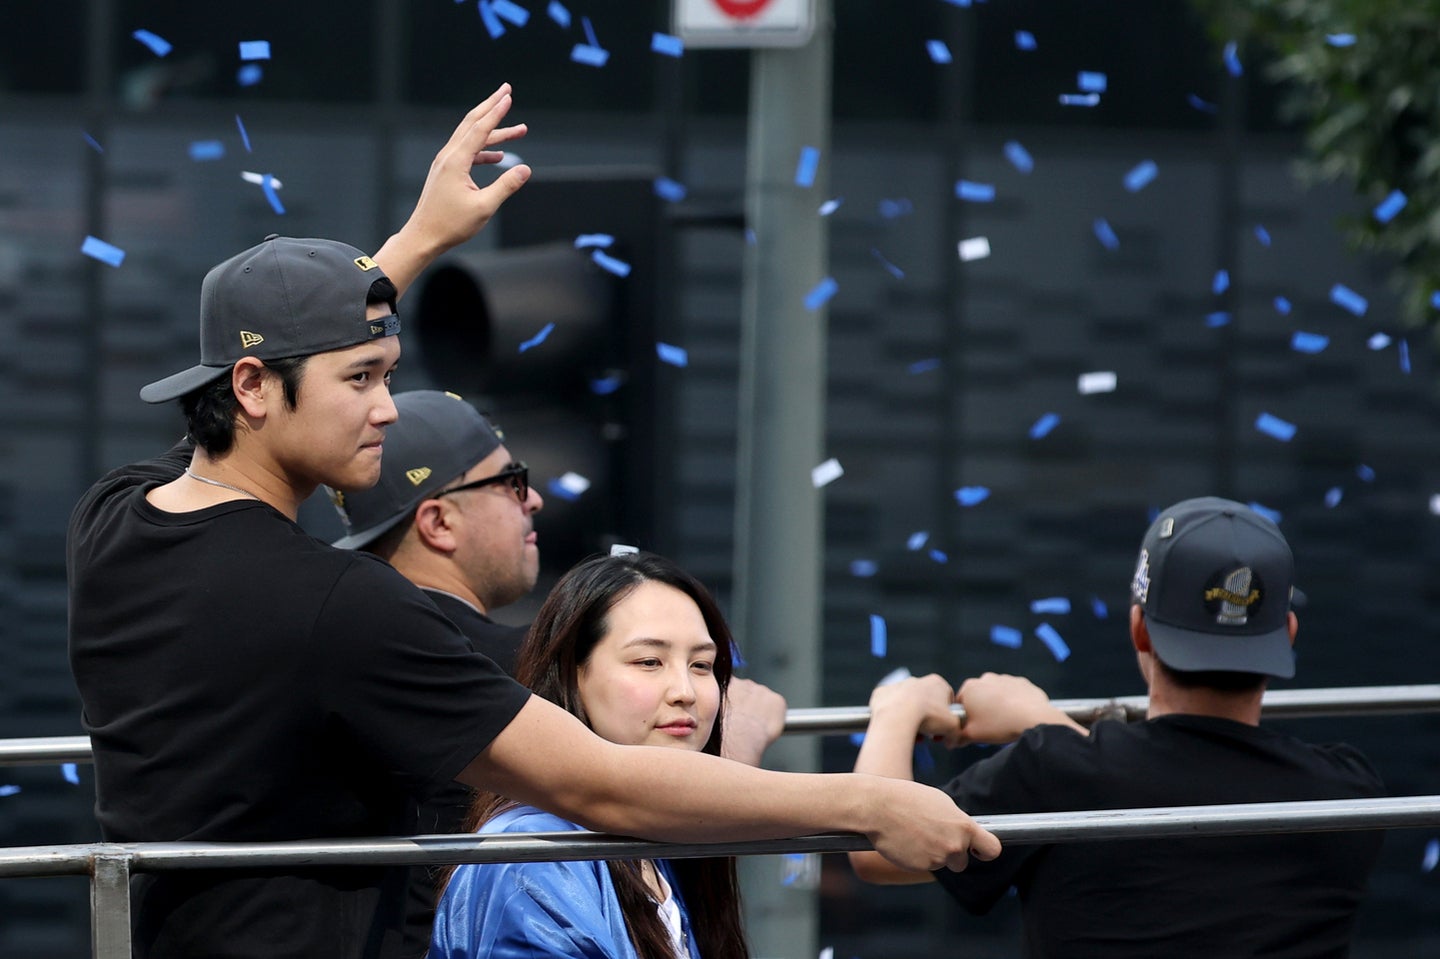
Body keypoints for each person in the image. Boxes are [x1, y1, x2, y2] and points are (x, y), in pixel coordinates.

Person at [66, 85, 1000, 959]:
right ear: (252, 388)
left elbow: (272, 377)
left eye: (387, 373)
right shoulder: (335, 603)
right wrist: (867, 802)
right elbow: (601, 781)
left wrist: (413, 243)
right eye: (363, 380)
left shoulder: (115, 520)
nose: (390, 409)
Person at [327, 403, 786, 957]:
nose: (535, 499)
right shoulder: (528, 840)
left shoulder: (336, 654)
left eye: (702, 664)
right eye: (511, 483)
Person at [849, 497, 1385, 959]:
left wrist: (897, 710)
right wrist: (1050, 728)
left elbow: (876, 853)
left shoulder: (1052, 774)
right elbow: (1171, 793)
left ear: (1139, 630)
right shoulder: (1348, 797)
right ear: (1287, 633)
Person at [430, 550, 784, 959]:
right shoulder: (534, 858)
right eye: (649, 661)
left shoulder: (658, 842)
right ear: (571, 674)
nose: (685, 691)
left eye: (702, 665)